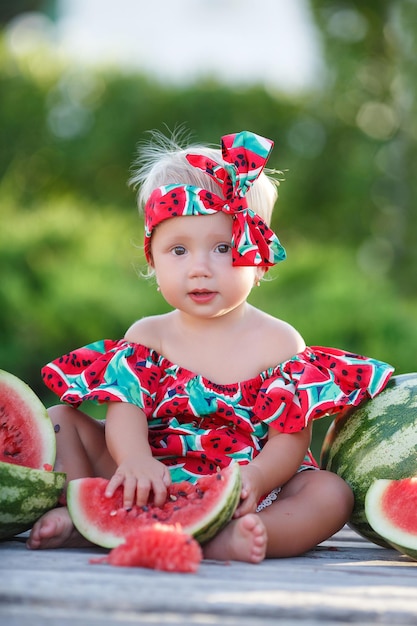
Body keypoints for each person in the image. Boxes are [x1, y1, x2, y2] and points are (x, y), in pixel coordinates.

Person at [27, 130, 394, 562]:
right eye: (178, 250)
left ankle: (242, 538)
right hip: (150, 481)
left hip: (248, 492)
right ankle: (86, 516)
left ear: (258, 258)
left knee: (330, 493)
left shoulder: (279, 343)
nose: (199, 269)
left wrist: (257, 476)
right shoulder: (148, 336)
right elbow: (123, 411)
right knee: (59, 420)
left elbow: (289, 441)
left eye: (222, 248)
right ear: (153, 260)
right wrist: (135, 459)